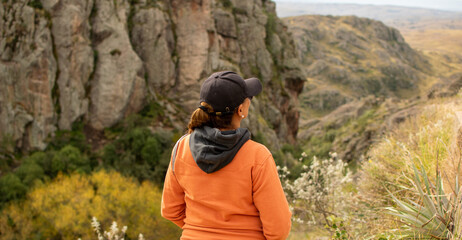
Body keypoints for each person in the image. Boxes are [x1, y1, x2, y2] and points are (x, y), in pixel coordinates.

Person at [161, 71, 292, 240]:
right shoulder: (257, 156)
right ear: (240, 109)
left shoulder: (181, 148)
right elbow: (278, 229)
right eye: (248, 98)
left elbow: (170, 210)